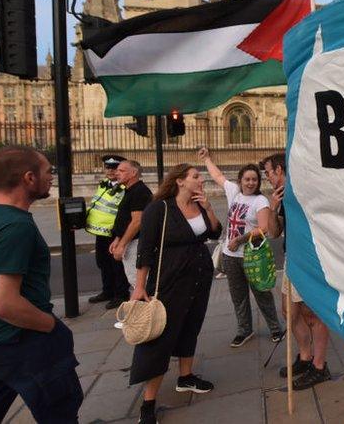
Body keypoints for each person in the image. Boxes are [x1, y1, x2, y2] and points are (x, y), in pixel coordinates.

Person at [0, 146, 83, 422]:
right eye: (48, 171)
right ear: (28, 178)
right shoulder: (15, 226)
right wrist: (51, 326)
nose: (52, 177)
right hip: (19, 342)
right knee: (61, 412)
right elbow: (2, 302)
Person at [130, 164, 221, 424]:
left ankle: (186, 377)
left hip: (199, 277)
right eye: (195, 176)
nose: (200, 179)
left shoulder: (199, 204)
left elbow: (215, 231)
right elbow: (145, 249)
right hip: (170, 280)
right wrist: (139, 286)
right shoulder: (160, 208)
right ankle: (148, 403)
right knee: (160, 337)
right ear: (180, 181)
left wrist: (209, 208)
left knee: (191, 327)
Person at [198, 148, 285, 347]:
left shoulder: (260, 200)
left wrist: (241, 239)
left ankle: (275, 328)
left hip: (252, 255)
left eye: (254, 179)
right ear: (240, 181)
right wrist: (207, 159)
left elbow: (264, 228)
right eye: (247, 179)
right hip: (230, 256)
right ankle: (244, 330)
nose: (251, 182)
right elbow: (218, 175)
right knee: (238, 297)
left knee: (262, 293)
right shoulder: (234, 193)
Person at [263, 153, 331, 390]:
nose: (268, 177)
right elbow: (273, 233)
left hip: (309, 259)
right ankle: (305, 356)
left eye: (269, 172)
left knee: (313, 314)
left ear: (279, 170)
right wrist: (273, 208)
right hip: (292, 258)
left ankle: (320, 367)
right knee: (289, 311)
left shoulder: (301, 191)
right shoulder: (281, 197)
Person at [86, 155, 131, 308]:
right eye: (108, 167)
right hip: (101, 232)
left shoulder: (124, 187)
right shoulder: (104, 184)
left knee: (116, 266)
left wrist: (120, 235)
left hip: (115, 233)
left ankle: (121, 295)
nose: (111, 171)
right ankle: (107, 291)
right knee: (103, 263)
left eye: (115, 168)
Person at [110, 159, 152, 296]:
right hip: (130, 242)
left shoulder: (139, 191)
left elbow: (137, 221)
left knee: (139, 284)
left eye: (121, 171)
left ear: (133, 173)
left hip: (136, 244)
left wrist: (122, 245)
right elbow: (125, 219)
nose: (117, 173)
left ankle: (145, 314)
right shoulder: (130, 190)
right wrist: (118, 238)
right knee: (134, 281)